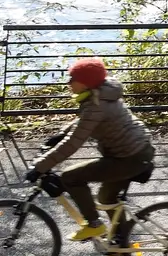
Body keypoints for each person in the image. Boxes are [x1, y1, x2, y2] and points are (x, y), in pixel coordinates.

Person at [28, 58, 155, 243]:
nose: (68, 83)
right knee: (106, 198)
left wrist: (40, 166)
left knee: (70, 176)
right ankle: (120, 241)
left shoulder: (97, 104)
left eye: (73, 79)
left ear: (86, 82)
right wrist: (60, 135)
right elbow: (83, 122)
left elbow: (74, 142)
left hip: (129, 158)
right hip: (136, 152)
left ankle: (94, 225)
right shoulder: (100, 94)